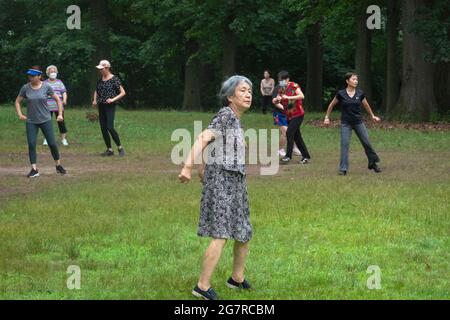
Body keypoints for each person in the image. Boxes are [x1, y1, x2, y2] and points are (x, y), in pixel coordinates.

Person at [179, 75, 253, 300]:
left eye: (249, 91)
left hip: (236, 182)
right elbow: (204, 137)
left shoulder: (235, 119)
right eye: (242, 91)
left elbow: (214, 144)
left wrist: (203, 166)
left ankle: (236, 278)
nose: (248, 94)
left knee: (243, 231)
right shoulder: (225, 116)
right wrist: (188, 166)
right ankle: (202, 286)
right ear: (230, 97)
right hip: (222, 182)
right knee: (221, 234)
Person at [324, 72, 381, 175]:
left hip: (358, 122)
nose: (356, 81)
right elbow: (331, 105)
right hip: (346, 123)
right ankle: (343, 169)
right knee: (344, 145)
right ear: (347, 81)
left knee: (367, 143)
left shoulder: (360, 93)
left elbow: (366, 105)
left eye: (356, 80)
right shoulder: (341, 94)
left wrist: (372, 116)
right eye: (353, 79)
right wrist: (327, 117)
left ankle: (372, 162)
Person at [14, 66, 67, 178]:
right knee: (32, 144)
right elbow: (17, 101)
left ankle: (58, 165)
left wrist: (60, 114)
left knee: (52, 143)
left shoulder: (46, 87)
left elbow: (58, 100)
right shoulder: (25, 88)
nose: (30, 78)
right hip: (31, 121)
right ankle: (34, 169)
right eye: (29, 76)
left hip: (45, 119)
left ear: (39, 76)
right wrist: (20, 114)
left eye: (33, 76)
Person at [274, 71, 311, 164]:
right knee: (297, 137)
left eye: (282, 80)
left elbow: (301, 96)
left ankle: (288, 156)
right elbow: (278, 100)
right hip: (289, 116)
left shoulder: (294, 86)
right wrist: (276, 100)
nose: (280, 82)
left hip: (298, 115)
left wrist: (288, 97)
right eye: (279, 80)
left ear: (287, 79)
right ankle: (306, 156)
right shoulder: (281, 89)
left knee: (289, 133)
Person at [92, 60, 126, 157]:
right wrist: (94, 100)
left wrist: (113, 99)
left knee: (110, 127)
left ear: (107, 68)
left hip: (110, 106)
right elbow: (96, 90)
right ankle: (109, 150)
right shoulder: (100, 79)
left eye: (101, 69)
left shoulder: (114, 79)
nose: (100, 71)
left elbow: (123, 92)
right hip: (101, 105)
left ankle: (120, 148)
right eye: (99, 69)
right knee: (103, 128)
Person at [272, 81, 302, 158]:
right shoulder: (277, 88)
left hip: (288, 114)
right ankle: (280, 149)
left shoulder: (291, 88)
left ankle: (294, 148)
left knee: (293, 131)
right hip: (279, 114)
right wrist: (283, 107)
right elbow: (274, 101)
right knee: (285, 132)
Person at [43, 65, 69, 146]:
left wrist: (64, 100)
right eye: (51, 72)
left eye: (54, 71)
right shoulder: (45, 83)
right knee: (46, 123)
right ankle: (46, 139)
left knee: (61, 123)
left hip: (59, 106)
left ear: (57, 72)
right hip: (47, 106)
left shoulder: (59, 82)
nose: (53, 73)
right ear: (48, 73)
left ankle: (64, 139)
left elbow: (64, 92)